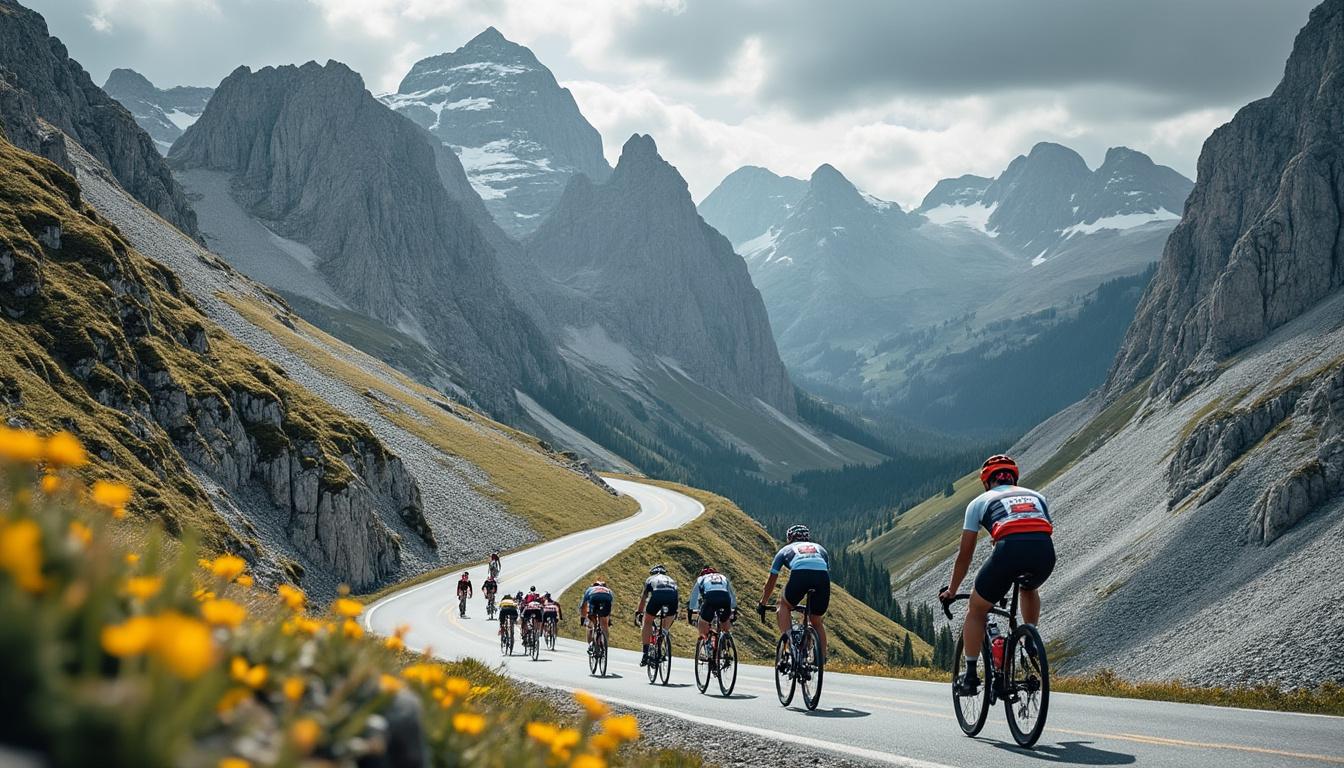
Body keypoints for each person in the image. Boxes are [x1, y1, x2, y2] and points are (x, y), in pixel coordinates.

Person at [939, 454, 1056, 696]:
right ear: (1014, 478)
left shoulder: (979, 502)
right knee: (1029, 587)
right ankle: (1030, 636)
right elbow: (1031, 528)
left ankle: (970, 676)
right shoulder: (1038, 496)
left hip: (1008, 553)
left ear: (986, 482)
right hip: (1044, 554)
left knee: (977, 608)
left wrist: (952, 590)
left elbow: (965, 555)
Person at [757, 524, 830, 661]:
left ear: (789, 538)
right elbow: (823, 570)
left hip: (799, 576)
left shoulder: (785, 550)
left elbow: (771, 581)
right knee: (816, 620)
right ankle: (821, 657)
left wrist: (763, 602)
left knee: (783, 604)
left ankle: (791, 644)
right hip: (822, 579)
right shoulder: (821, 549)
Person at [687, 566, 736, 654]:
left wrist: (691, 610)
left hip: (711, 597)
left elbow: (694, 596)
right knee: (724, 621)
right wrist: (734, 608)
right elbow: (731, 594)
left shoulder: (701, 578)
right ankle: (725, 642)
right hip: (725, 598)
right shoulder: (723, 577)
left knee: (703, 622)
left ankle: (707, 644)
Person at [636, 564, 679, 666]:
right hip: (672, 598)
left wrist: (639, 612)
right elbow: (676, 595)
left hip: (657, 596)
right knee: (669, 618)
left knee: (647, 621)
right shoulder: (670, 579)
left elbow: (644, 597)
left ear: (653, 572)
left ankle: (645, 653)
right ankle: (663, 635)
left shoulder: (650, 579)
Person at [579, 579, 614, 654]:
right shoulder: (608, 590)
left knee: (591, 622)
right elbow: (609, 607)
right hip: (607, 597)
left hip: (594, 597)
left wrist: (583, 619)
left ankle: (591, 645)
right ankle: (604, 646)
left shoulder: (590, 589)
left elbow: (583, 606)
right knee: (604, 624)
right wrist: (608, 620)